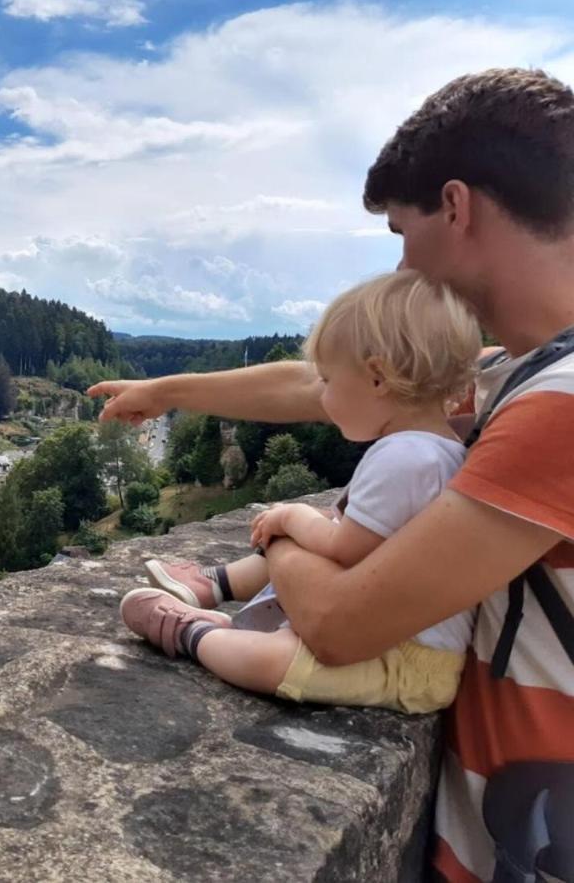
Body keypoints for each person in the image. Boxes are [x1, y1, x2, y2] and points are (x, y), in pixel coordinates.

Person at [89, 68, 574, 883]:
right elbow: (332, 378)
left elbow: (343, 625)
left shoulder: (557, 405)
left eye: (399, 231)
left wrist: (279, 533)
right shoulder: (521, 371)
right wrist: (168, 391)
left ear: (456, 208)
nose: (403, 262)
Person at [120, 270, 482, 714]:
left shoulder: (404, 458)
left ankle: (194, 634)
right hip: (395, 637)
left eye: (328, 381)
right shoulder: (439, 449)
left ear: (377, 378)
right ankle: (219, 602)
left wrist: (292, 516)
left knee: (269, 663)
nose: (322, 397)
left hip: (406, 662)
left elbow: (346, 548)